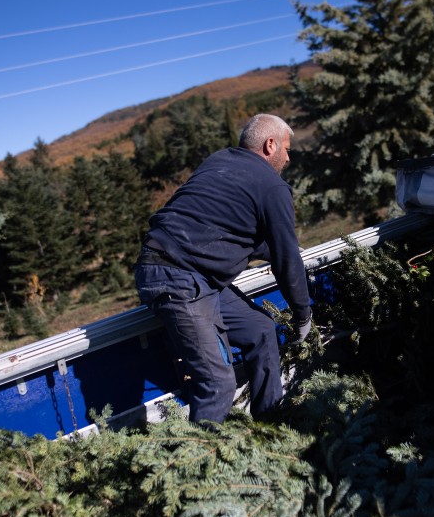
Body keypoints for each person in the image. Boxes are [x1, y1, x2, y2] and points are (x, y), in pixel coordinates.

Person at [134, 113, 312, 425]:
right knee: (218, 384)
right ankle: (196, 467)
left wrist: (274, 251)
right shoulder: (273, 186)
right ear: (270, 145)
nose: (288, 155)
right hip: (180, 279)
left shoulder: (219, 161)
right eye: (286, 147)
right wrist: (302, 314)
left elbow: (223, 227)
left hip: (181, 271)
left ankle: (270, 429)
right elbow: (287, 262)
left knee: (260, 330)